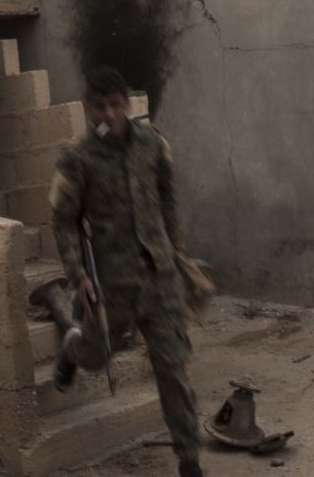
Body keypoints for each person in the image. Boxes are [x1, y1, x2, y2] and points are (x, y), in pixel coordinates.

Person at [47, 66, 204, 477]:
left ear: (128, 104)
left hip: (159, 279)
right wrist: (77, 274)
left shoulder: (152, 144)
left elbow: (168, 190)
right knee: (97, 357)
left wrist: (177, 240)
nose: (109, 115)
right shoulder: (77, 160)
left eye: (116, 105)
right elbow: (62, 220)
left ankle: (189, 460)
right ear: (88, 109)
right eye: (100, 108)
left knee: (172, 366)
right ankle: (71, 346)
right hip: (111, 285)